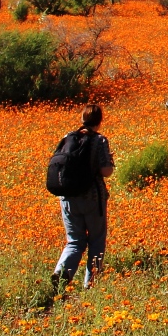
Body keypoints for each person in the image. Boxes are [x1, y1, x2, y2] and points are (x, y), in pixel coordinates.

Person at [52, 105, 114, 290]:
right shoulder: (99, 140)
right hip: (93, 198)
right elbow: (106, 171)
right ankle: (91, 284)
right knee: (96, 240)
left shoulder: (67, 137)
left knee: (74, 240)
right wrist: (110, 160)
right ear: (99, 120)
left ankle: (62, 273)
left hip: (68, 198)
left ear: (82, 119)